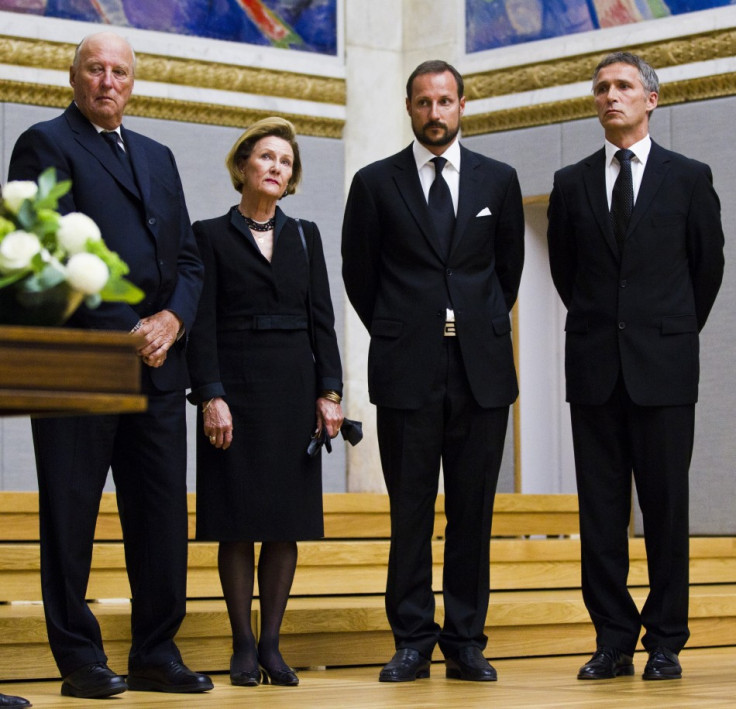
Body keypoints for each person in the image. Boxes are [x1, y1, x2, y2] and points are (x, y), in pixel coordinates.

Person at [7, 32, 211, 698]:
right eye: (94, 69)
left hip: (157, 365)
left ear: (134, 81)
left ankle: (155, 651)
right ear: (73, 77)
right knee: (71, 517)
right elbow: (42, 258)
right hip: (83, 363)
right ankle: (80, 660)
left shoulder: (160, 155)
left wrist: (172, 320)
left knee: (159, 519)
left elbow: (187, 260)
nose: (107, 81)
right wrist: (127, 326)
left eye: (118, 71)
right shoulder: (43, 143)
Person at [342, 60, 525, 682]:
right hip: (405, 367)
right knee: (411, 510)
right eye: (423, 102)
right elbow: (359, 275)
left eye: (445, 101)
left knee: (473, 511)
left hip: (482, 371)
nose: (435, 112)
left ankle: (466, 640)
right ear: (409, 108)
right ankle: (413, 640)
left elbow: (508, 274)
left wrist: (469, 323)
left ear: (463, 105)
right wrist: (403, 325)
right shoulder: (374, 182)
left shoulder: (498, 181)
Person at [547, 51, 724, 681]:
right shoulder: (569, 184)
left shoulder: (689, 176)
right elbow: (566, 273)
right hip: (595, 369)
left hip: (665, 370)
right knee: (600, 516)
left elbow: (706, 270)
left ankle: (666, 641)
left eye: (622, 86)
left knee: (666, 510)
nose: (609, 96)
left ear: (652, 98)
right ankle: (613, 640)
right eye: (600, 88)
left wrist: (665, 332)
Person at [186, 117, 343, 687]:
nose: (277, 167)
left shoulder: (306, 236)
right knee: (235, 523)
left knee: (284, 524)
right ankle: (242, 645)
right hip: (235, 392)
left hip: (292, 393)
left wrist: (331, 394)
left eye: (286, 162)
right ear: (243, 166)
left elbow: (322, 321)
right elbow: (199, 327)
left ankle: (273, 645)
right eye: (266, 158)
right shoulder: (206, 234)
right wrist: (210, 396)